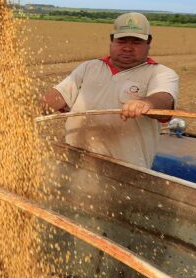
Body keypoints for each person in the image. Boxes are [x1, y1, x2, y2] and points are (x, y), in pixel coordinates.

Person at [42, 12, 178, 169]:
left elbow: (164, 101)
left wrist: (146, 103)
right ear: (112, 40)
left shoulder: (160, 73)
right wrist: (31, 109)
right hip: (74, 161)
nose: (127, 48)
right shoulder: (90, 67)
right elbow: (59, 96)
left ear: (148, 43)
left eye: (136, 42)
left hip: (125, 171)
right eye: (122, 41)